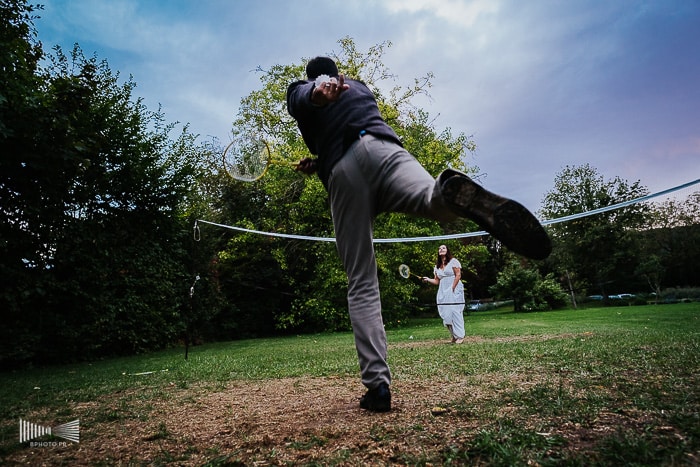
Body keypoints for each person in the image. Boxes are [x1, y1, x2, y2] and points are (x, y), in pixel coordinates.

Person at [286, 56, 551, 412]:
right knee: (431, 200)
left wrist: (316, 95)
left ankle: (378, 386)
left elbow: (306, 98)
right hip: (385, 151)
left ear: (317, 77)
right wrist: (317, 162)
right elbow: (348, 128)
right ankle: (450, 193)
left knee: (361, 280)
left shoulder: (306, 88)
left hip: (345, 174)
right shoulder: (360, 88)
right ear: (339, 72)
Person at [422, 245, 466, 344]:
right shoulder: (437, 267)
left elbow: (458, 275)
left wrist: (452, 288)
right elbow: (437, 281)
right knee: (446, 314)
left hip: (454, 289)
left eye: (443, 248)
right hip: (442, 291)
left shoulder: (453, 261)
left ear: (447, 251)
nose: (441, 249)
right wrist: (428, 279)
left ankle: (460, 336)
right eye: (439, 248)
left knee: (455, 312)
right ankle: (454, 336)